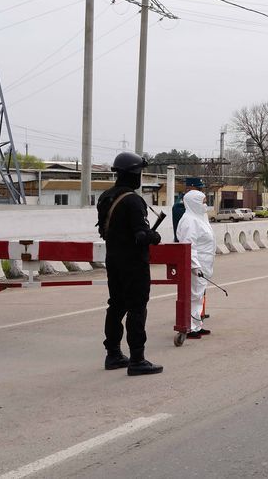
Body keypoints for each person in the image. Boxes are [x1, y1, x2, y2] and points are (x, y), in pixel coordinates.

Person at [97, 152, 163, 376]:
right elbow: (141, 235)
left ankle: (113, 354)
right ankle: (137, 359)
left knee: (115, 306)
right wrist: (154, 236)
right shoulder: (133, 200)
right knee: (137, 308)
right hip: (134, 264)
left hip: (113, 260)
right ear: (134, 173)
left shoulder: (105, 197)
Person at [176, 190, 215, 339]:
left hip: (205, 263)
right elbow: (188, 245)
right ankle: (190, 327)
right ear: (194, 203)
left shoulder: (200, 217)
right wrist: (195, 266)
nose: (205, 205)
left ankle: (197, 325)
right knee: (193, 295)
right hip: (196, 265)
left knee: (198, 295)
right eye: (203, 202)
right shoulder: (189, 220)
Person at [172, 177, 205, 242]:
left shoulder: (194, 202)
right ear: (189, 189)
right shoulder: (180, 206)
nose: (200, 191)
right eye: (198, 189)